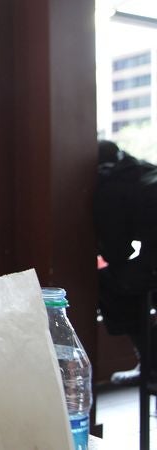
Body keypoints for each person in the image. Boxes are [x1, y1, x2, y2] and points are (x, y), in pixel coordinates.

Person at [94, 140, 157, 385]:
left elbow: (116, 252)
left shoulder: (110, 186)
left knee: (112, 283)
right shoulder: (143, 169)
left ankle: (151, 364)